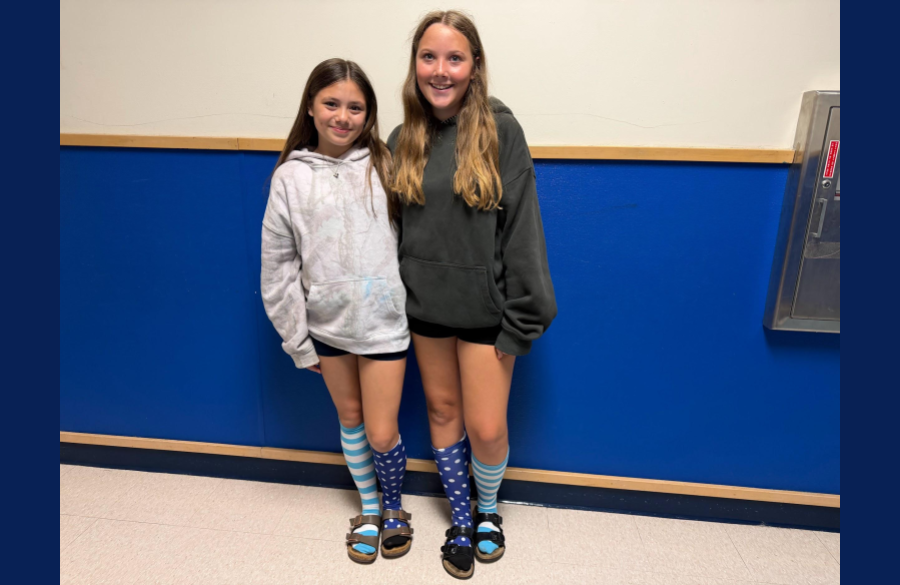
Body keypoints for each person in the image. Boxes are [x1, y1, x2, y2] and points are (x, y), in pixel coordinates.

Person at [387, 11, 557, 580]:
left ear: (474, 66)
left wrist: (523, 318)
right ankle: (461, 517)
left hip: (487, 312)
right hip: (425, 308)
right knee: (441, 411)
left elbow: (523, 230)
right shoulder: (402, 138)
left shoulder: (501, 130)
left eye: (454, 58)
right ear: (415, 65)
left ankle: (488, 512)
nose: (441, 70)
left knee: (486, 427)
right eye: (429, 57)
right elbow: (394, 233)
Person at [261, 58, 413, 564]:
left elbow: (414, 244)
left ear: (368, 115)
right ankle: (368, 509)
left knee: (381, 430)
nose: (343, 117)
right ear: (311, 106)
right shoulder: (289, 178)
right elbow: (278, 267)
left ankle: (394, 508)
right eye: (332, 104)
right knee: (350, 420)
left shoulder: (387, 166)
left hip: (385, 325)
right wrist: (297, 341)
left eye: (355, 107)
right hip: (326, 327)